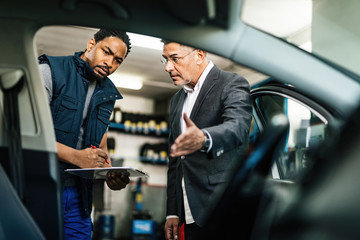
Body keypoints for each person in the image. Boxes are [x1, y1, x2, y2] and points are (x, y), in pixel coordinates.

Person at [38, 29, 131, 240]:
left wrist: (109, 172)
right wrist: (75, 156)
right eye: (106, 52)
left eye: (118, 60)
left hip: (80, 197)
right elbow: (26, 134)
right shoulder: (50, 70)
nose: (110, 63)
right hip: (41, 189)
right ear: (91, 44)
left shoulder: (108, 93)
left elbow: (101, 144)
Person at [162, 41, 252, 240]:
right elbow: (175, 160)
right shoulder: (177, 100)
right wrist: (173, 211)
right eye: (166, 60)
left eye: (174, 59)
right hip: (188, 214)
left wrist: (204, 138)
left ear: (199, 55)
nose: (167, 67)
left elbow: (238, 127)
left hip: (221, 209)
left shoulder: (231, 83)